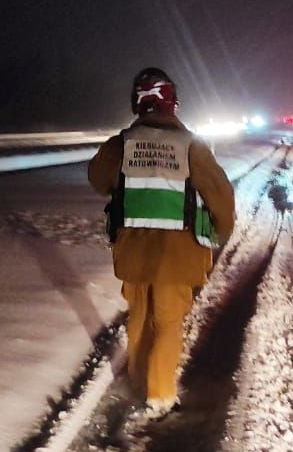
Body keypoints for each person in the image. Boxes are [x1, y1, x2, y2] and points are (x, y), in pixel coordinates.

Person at [87, 67, 235, 418]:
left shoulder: (122, 143)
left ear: (139, 102)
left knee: (138, 316)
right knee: (168, 321)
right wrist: (221, 229)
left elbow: (97, 179)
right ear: (171, 102)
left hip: (133, 250)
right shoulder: (191, 146)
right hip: (180, 252)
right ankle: (161, 392)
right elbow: (221, 196)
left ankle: (140, 381)